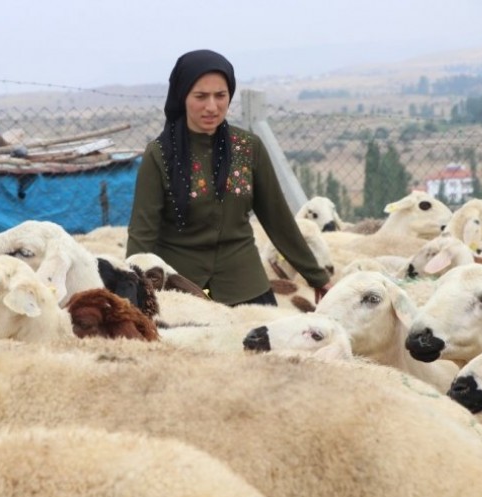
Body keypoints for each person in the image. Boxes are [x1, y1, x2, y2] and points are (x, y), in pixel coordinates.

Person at [126, 49, 331, 306]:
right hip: (181, 293)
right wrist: (132, 294)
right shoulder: (160, 155)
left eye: (220, 96)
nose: (212, 107)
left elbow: (279, 221)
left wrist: (317, 276)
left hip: (246, 288)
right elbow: (141, 232)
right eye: (200, 96)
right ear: (182, 97)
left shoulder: (248, 148)